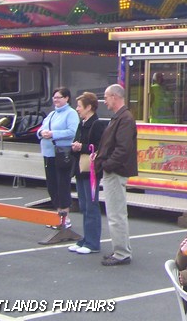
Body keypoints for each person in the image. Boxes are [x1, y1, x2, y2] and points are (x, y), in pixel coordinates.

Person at [96, 84, 138, 266]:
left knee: (116, 214)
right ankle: (121, 249)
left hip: (115, 171)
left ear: (114, 96)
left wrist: (107, 164)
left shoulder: (124, 119)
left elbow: (122, 148)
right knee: (116, 213)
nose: (104, 101)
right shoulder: (122, 117)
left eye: (106, 97)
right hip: (114, 169)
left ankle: (121, 253)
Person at [68, 92, 107, 254]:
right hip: (80, 168)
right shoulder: (82, 122)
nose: (77, 109)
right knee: (84, 205)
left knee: (91, 205)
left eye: (79, 106)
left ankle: (93, 242)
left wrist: (81, 147)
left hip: (91, 170)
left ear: (89, 107)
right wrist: (75, 146)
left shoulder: (96, 124)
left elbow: (98, 146)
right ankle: (86, 238)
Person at [37, 87, 80, 229]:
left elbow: (72, 132)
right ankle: (58, 215)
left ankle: (65, 218)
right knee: (52, 185)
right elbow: (41, 128)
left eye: (59, 97)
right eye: (54, 97)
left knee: (62, 185)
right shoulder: (52, 114)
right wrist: (41, 133)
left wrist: (53, 134)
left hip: (62, 155)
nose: (56, 100)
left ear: (67, 98)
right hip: (48, 154)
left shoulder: (71, 113)